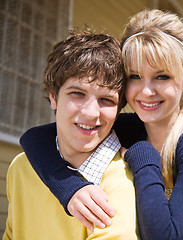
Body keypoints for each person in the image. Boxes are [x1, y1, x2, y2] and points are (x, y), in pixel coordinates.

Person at [19, 9, 183, 240]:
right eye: (135, 76)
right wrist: (71, 189)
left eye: (162, 76)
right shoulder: (131, 127)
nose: (147, 91)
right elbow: (35, 138)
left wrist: (143, 155)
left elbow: (167, 236)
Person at [2, 30, 139, 240]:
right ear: (53, 97)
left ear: (119, 110)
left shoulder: (122, 180)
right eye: (77, 93)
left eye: (107, 100)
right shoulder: (20, 167)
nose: (91, 112)